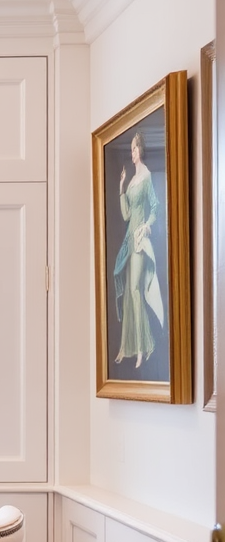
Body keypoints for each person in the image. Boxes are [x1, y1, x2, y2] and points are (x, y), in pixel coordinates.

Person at [113, 131, 164, 368]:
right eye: (131, 149)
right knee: (128, 297)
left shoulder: (146, 176)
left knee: (135, 291)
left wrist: (147, 225)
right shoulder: (132, 180)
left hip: (140, 241)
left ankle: (143, 347)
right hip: (128, 241)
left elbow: (154, 207)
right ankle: (128, 348)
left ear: (140, 150)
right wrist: (121, 187)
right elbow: (125, 215)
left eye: (135, 149)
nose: (132, 153)